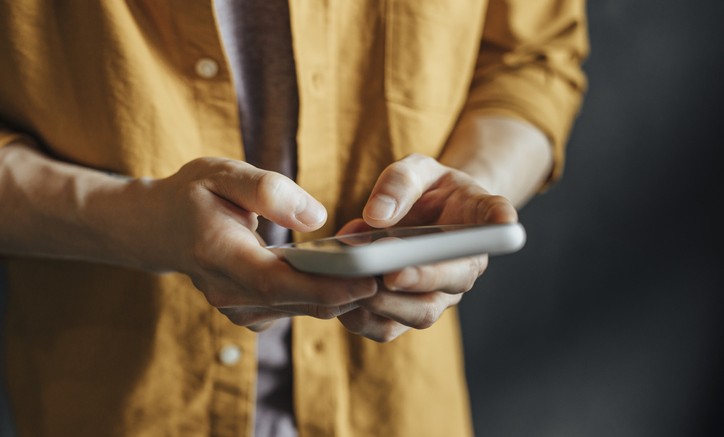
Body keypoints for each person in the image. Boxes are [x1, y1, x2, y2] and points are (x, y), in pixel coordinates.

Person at [0, 1, 588, 436]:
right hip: (112, 405)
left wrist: (466, 194)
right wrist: (134, 220)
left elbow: (533, 56)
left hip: (398, 409)